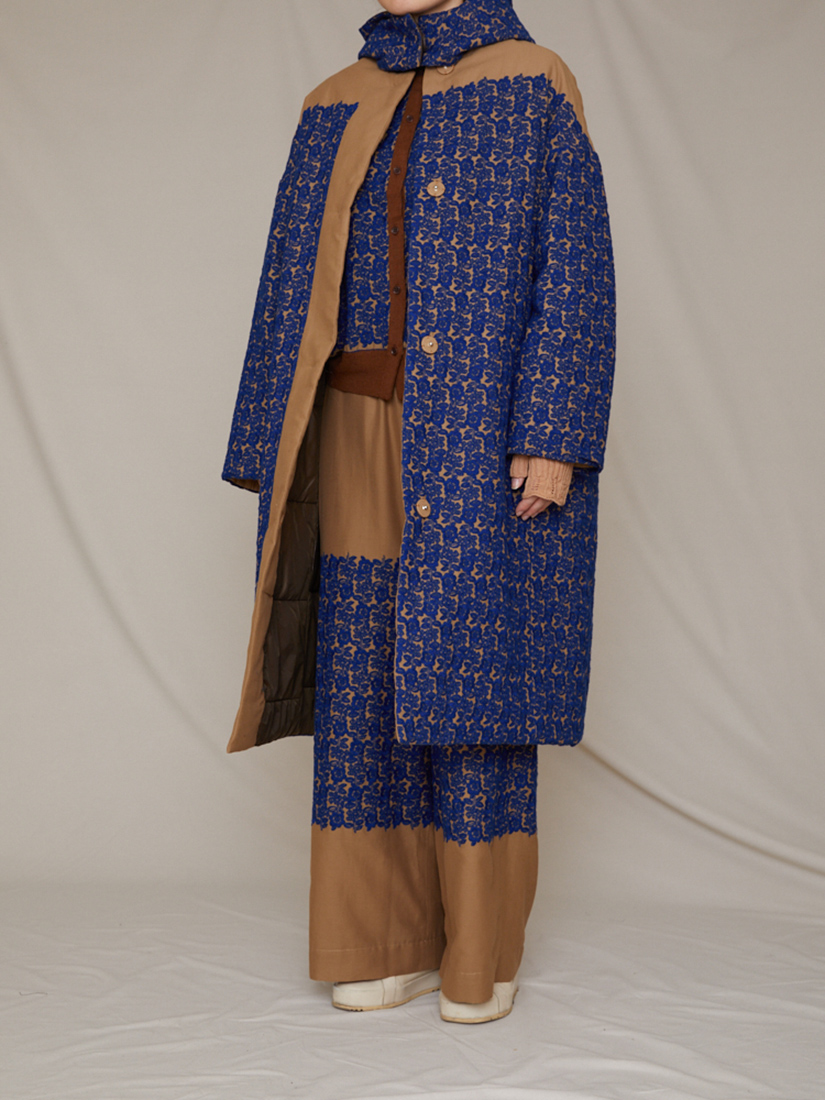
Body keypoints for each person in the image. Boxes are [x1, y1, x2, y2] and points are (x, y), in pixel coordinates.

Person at [222, 0, 615, 1024]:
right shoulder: (333, 99)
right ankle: (376, 937)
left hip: (480, 433)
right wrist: (265, 441)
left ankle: (478, 952)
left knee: (473, 671)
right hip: (350, 429)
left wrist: (555, 434)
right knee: (359, 665)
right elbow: (286, 278)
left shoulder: (533, 81)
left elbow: (574, 269)